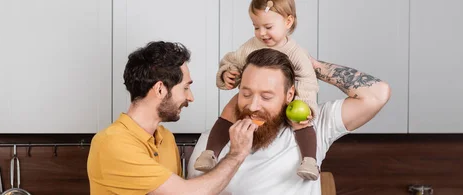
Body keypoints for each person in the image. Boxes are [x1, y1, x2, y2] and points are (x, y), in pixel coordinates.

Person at [188, 48, 391, 194]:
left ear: (289, 95)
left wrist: (311, 66)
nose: (253, 106)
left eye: (267, 97)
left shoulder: (313, 126)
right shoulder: (211, 143)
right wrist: (235, 154)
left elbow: (377, 93)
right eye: (246, 93)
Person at [87, 41, 259, 194]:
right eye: (185, 88)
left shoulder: (166, 138)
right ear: (160, 89)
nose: (190, 97)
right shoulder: (112, 144)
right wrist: (237, 154)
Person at [194, 0, 322, 180]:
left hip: (288, 98)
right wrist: (227, 73)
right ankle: (210, 153)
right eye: (256, 27)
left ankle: (309, 160)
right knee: (230, 109)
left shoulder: (296, 53)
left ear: (288, 21)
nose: (261, 33)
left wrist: (306, 105)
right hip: (254, 92)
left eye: (268, 27)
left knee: (301, 122)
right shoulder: (250, 46)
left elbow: (308, 81)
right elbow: (232, 60)